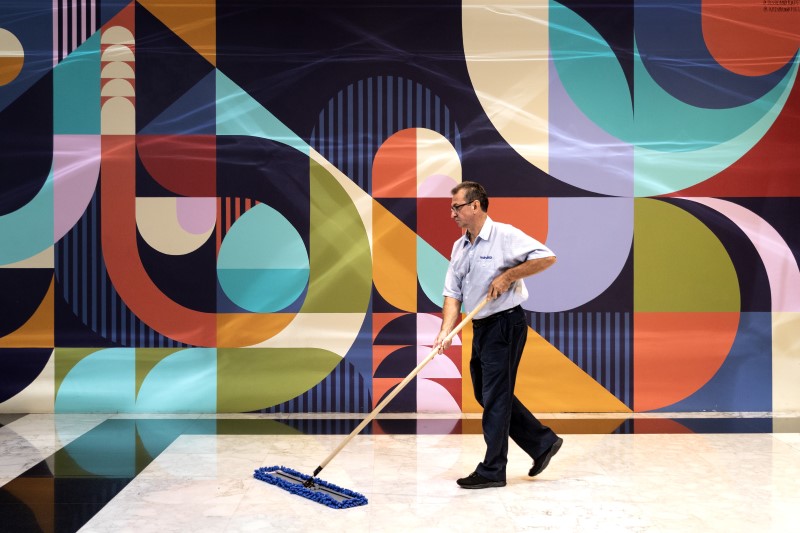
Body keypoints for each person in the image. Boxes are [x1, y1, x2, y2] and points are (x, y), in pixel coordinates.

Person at [434, 181, 561, 489]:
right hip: (482, 325)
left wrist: (508, 275)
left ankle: (493, 469)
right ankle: (542, 442)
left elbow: (547, 257)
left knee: (495, 397)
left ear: (475, 206)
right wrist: (445, 331)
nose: (452, 213)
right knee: (487, 393)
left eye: (456, 207)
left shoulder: (504, 236)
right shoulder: (459, 246)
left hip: (505, 324)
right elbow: (452, 293)